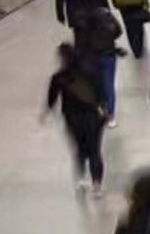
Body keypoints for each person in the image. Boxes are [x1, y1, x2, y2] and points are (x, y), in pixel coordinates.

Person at [43, 43, 108, 196]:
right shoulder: (92, 72)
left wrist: (46, 113)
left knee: (79, 148)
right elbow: (102, 93)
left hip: (72, 117)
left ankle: (80, 178)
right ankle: (97, 184)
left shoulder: (59, 77)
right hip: (93, 115)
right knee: (95, 150)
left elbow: (52, 98)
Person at [74, 1, 123, 125]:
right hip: (108, 54)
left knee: (96, 84)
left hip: (91, 56)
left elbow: (80, 41)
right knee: (109, 85)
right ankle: (110, 115)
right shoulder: (106, 14)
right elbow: (118, 30)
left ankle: (99, 108)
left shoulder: (81, 19)